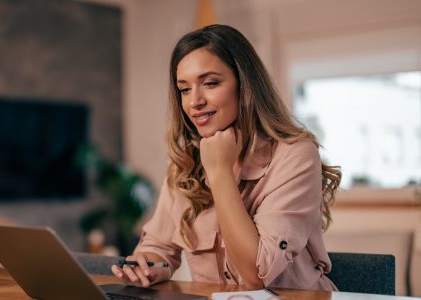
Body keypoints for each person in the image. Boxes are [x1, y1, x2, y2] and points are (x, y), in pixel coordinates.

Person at [111, 24, 341, 291]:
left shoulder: (295, 154)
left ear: (245, 85)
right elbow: (158, 248)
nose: (194, 101)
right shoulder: (186, 162)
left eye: (210, 83)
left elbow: (257, 276)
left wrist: (219, 172)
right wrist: (148, 267)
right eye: (184, 89)